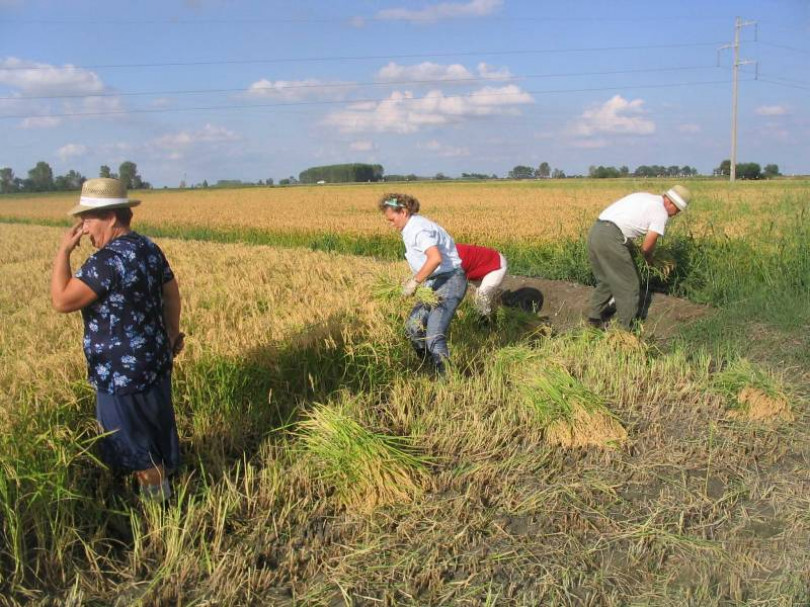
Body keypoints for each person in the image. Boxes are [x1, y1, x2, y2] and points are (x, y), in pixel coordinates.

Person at [51, 178, 183, 503]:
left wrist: (63, 252)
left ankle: (160, 511)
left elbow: (62, 301)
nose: (83, 228)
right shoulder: (148, 247)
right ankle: (163, 495)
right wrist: (172, 332)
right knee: (154, 434)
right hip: (154, 361)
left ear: (111, 217)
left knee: (137, 448)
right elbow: (171, 293)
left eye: (87, 219)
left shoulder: (106, 261)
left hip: (121, 376)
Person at [379, 193, 467, 375]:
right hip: (435, 281)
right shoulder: (411, 227)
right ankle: (430, 367)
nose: (390, 224)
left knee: (434, 334)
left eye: (391, 219)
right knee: (413, 327)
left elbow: (435, 258)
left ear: (403, 212)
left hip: (450, 280)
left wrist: (414, 282)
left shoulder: (418, 229)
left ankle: (448, 378)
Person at [587, 185, 690, 331]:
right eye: (677, 210)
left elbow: (625, 223)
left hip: (596, 232)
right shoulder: (661, 212)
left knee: (606, 280)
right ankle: (625, 331)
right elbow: (647, 246)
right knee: (630, 284)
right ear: (671, 203)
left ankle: (594, 320)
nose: (675, 214)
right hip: (611, 237)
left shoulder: (645, 197)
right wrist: (649, 259)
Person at [456, 244, 508, 317]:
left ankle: (484, 323)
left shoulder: (452, 260)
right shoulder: (445, 252)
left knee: (481, 298)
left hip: (496, 265)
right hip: (479, 266)